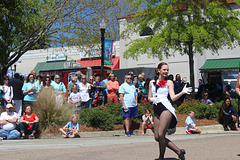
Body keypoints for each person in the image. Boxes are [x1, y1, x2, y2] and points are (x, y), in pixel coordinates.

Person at [148, 62, 192, 160]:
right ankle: (178, 151)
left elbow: (173, 97)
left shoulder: (169, 82)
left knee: (161, 134)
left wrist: (182, 92)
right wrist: (152, 99)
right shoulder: (152, 82)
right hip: (156, 109)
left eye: (167, 70)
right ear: (159, 70)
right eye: (164, 69)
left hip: (166, 108)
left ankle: (161, 157)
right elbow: (149, 97)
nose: (166, 71)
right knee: (157, 137)